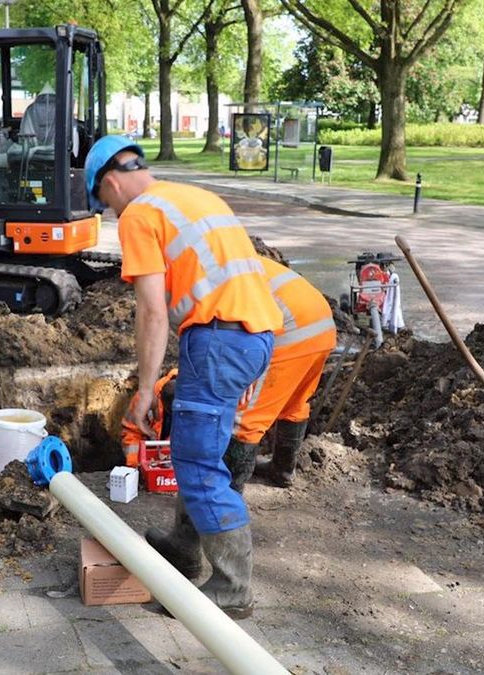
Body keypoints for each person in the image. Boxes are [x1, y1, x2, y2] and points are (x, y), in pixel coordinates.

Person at [85, 135, 282, 619]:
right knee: (199, 451)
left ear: (110, 183)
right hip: (253, 336)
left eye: (104, 204)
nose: (111, 214)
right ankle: (183, 546)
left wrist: (145, 388)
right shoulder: (195, 197)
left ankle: (233, 589)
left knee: (196, 463)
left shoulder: (139, 214)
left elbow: (152, 311)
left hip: (217, 341)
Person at [224, 258, 337, 490]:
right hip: (323, 325)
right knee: (295, 403)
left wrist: (248, 369)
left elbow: (236, 325)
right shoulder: (243, 258)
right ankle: (282, 470)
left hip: (289, 330)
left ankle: (228, 490)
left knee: (247, 417)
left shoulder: (217, 275)